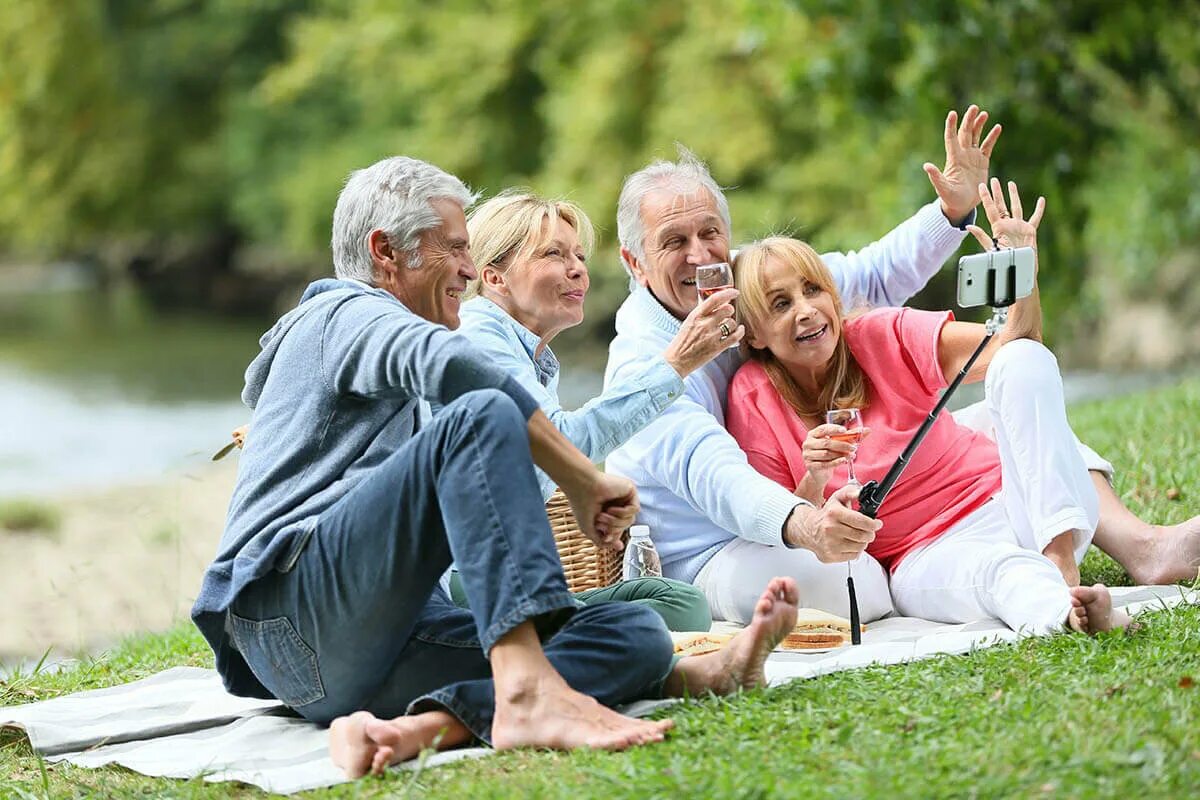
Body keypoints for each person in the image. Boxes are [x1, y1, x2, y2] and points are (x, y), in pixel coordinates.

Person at [190, 156, 801, 780]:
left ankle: (429, 726)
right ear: (386, 253)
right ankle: (528, 689)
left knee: (634, 630)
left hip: (356, 659)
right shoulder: (341, 312)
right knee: (481, 411)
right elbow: (459, 377)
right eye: (454, 249)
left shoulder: (428, 347)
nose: (465, 267)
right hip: (290, 613)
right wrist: (582, 478)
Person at [603, 107, 1198, 627]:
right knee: (858, 583)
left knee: (1015, 398)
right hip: (721, 544)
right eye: (673, 241)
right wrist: (808, 523)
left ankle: (1131, 549)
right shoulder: (650, 364)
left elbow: (873, 276)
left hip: (894, 503)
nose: (699, 254)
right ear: (634, 261)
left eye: (710, 232)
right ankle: (1040, 592)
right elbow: (717, 477)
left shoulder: (758, 284)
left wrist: (954, 210)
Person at [726, 179, 1133, 636]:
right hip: (926, 554)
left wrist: (1025, 269)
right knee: (997, 572)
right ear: (754, 333)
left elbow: (1016, 348)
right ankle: (1068, 613)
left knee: (1023, 358)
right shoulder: (752, 395)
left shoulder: (882, 334)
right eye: (781, 304)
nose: (805, 310)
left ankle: (1061, 568)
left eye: (813, 290)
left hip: (1020, 508)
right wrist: (815, 478)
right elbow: (782, 525)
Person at [453, 189, 739, 631]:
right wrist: (675, 364)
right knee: (663, 620)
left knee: (680, 603)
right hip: (464, 582)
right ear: (494, 278)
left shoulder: (533, 357)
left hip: (516, 577)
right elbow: (561, 443)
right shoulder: (478, 332)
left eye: (580, 256)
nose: (577, 270)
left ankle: (573, 636)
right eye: (553, 254)